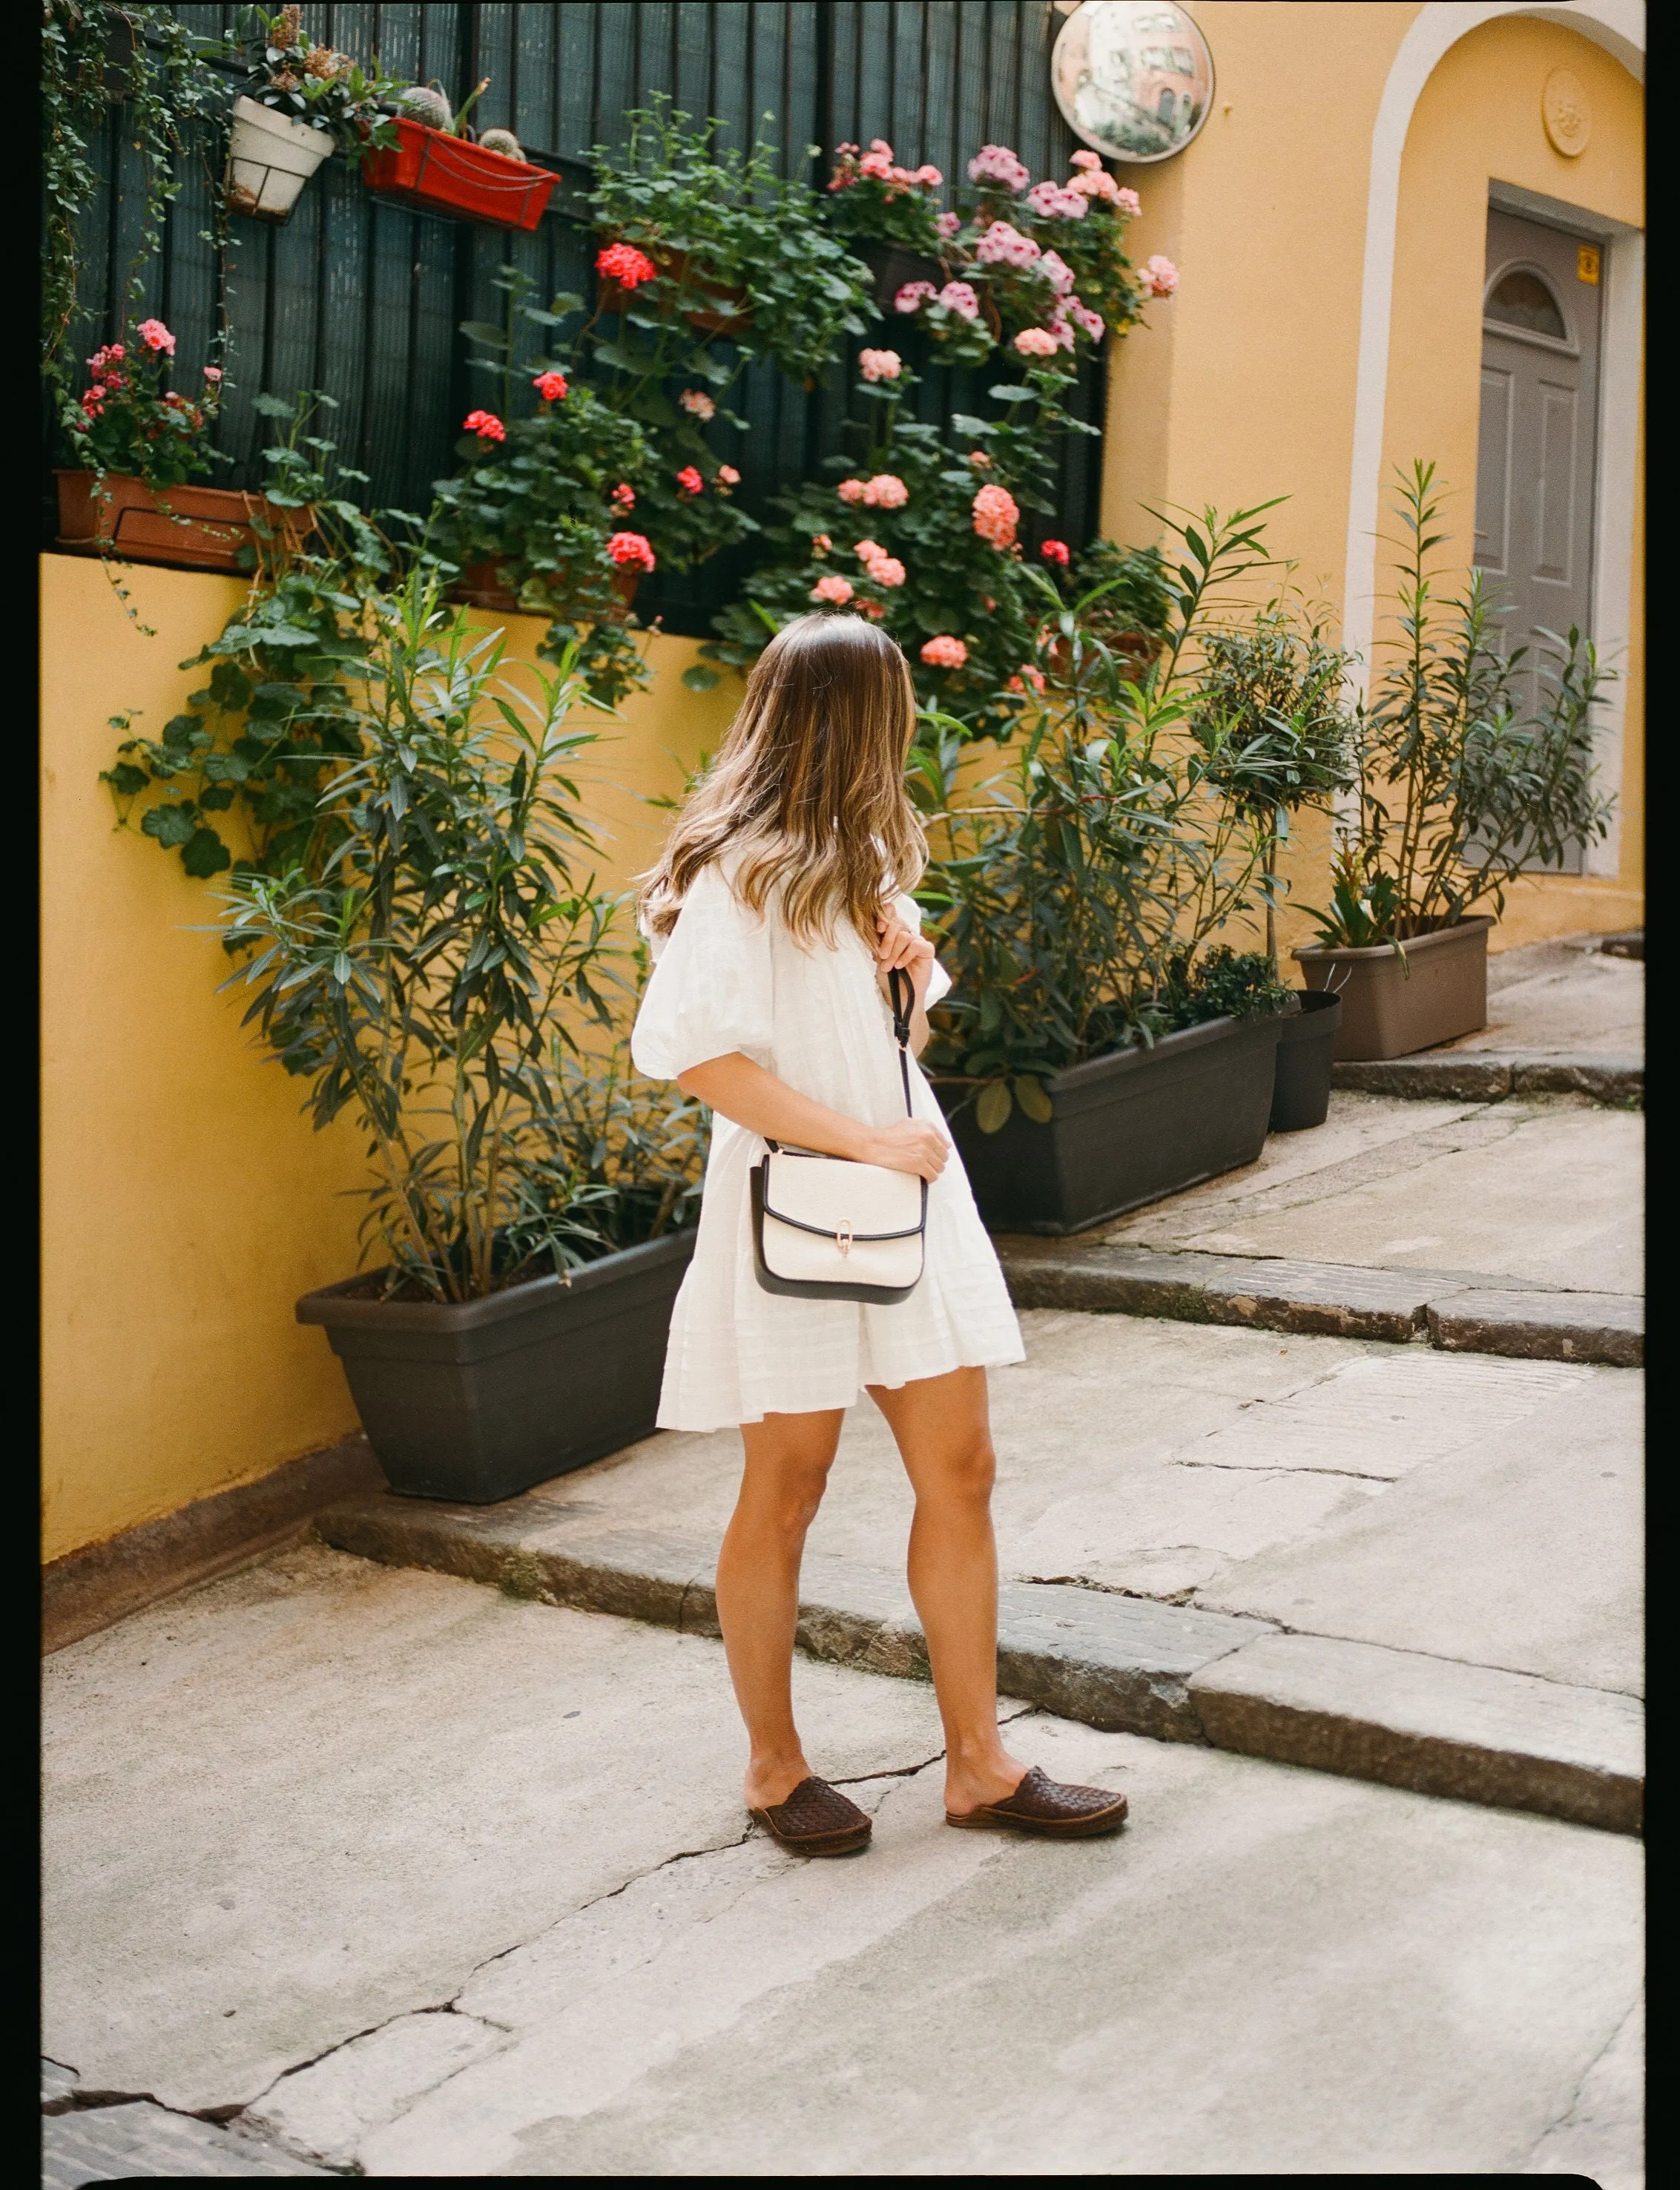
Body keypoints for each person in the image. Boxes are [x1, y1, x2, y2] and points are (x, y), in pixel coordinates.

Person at [631, 613, 1129, 1856]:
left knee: (961, 1470)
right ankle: (772, 1765)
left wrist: (904, 964)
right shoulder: (737, 872)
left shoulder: (857, 859)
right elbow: (693, 1057)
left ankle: (978, 1764)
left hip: (904, 1198)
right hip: (800, 1206)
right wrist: (860, 1141)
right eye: (895, 707)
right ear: (859, 718)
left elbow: (876, 1048)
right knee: (788, 1485)